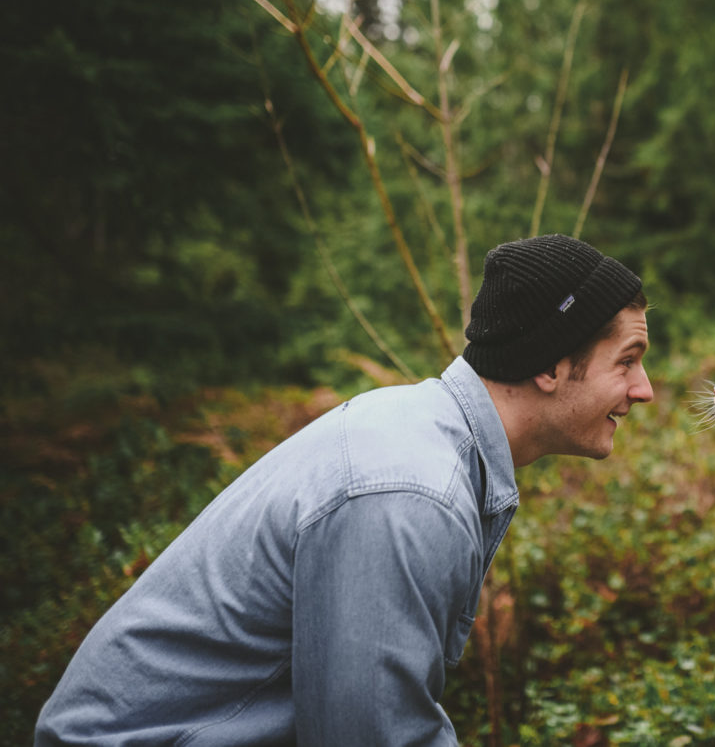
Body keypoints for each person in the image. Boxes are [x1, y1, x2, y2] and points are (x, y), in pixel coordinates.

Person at [35, 234, 652, 746]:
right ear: (547, 365)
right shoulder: (409, 492)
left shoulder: (424, 444)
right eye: (626, 360)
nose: (645, 388)